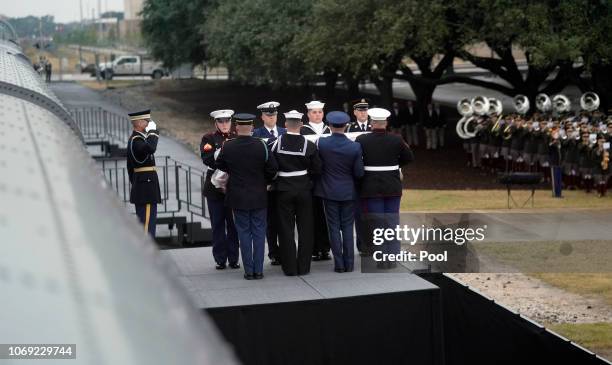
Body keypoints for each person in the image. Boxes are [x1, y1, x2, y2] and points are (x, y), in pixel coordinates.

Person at [216, 113, 278, 280]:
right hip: (258, 194)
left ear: (236, 127)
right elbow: (272, 169)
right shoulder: (261, 145)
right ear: (251, 127)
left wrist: (235, 173)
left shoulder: (228, 146)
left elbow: (219, 164)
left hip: (238, 196)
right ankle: (258, 270)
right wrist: (264, 181)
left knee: (243, 232)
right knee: (259, 232)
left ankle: (248, 271)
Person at [356, 108, 413, 265]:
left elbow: (356, 161)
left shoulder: (362, 139)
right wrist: (394, 166)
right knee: (392, 221)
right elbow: (409, 157)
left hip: (370, 186)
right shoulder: (396, 139)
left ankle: (381, 258)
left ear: (372, 123)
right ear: (386, 123)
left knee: (376, 223)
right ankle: (393, 257)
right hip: (392, 186)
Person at [272, 110, 322, 275]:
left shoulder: (274, 143)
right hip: (303, 190)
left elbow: (270, 168)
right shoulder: (310, 145)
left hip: (283, 190)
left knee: (285, 229)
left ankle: (290, 268)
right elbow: (317, 169)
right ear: (301, 124)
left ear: (285, 124)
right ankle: (304, 267)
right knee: (306, 229)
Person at [314, 111, 364, 273]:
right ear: (346, 126)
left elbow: (318, 167)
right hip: (348, 192)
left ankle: (339, 264)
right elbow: (359, 173)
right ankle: (349, 264)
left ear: (328, 126)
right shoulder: (355, 146)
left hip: (328, 191)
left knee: (333, 227)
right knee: (348, 227)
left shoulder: (321, 143)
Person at [200, 109, 240, 270]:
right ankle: (220, 258)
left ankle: (234, 258)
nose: (224, 124)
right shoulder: (208, 138)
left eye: (227, 121)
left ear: (231, 122)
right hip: (214, 187)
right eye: (221, 122)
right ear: (216, 123)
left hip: (233, 186)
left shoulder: (236, 137)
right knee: (217, 224)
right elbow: (207, 159)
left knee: (233, 224)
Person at [252, 101, 286, 265]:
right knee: (270, 221)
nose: (271, 118)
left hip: (285, 183)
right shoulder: (256, 134)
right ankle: (273, 252)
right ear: (262, 117)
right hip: (266, 185)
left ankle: (286, 249)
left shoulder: (285, 132)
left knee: (285, 220)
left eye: (273, 115)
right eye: (268, 115)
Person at [301, 100, 331, 261]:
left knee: (327, 214)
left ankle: (326, 247)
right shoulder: (303, 130)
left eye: (320, 112)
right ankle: (315, 248)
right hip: (311, 177)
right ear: (308, 114)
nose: (317, 115)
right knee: (313, 213)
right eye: (314, 112)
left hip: (328, 176)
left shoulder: (330, 128)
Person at [126, 109, 161, 237]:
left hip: (144, 187)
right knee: (147, 227)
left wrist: (136, 183)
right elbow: (151, 148)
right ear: (139, 123)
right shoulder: (136, 140)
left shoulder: (138, 139)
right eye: (146, 121)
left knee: (147, 224)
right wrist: (153, 132)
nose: (148, 124)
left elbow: (130, 168)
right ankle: (148, 254)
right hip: (146, 189)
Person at [345, 98, 371, 255]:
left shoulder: (373, 126)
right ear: (354, 112)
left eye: (365, 110)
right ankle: (362, 245)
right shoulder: (349, 128)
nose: (363, 113)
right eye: (360, 110)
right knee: (359, 212)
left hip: (371, 174)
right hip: (354, 175)